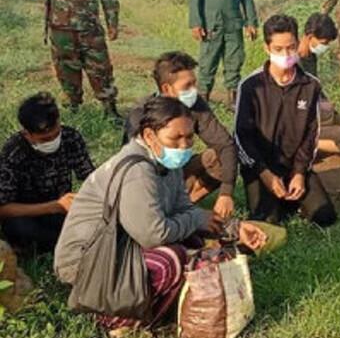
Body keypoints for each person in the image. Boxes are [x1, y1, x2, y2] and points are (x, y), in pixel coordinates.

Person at [55, 97, 283, 335]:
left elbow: (183, 209)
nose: (184, 146)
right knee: (171, 259)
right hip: (87, 262)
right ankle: (116, 318)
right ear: (150, 136)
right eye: (176, 138)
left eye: (189, 137)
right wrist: (196, 220)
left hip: (120, 247)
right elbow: (153, 235)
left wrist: (234, 229)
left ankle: (148, 307)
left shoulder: (165, 163)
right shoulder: (137, 171)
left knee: (194, 243)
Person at [235, 15, 337, 227]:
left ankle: (293, 199)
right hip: (260, 168)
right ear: (267, 48)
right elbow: (242, 137)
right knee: (268, 220)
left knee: (324, 216)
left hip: (293, 166)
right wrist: (264, 174)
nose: (286, 54)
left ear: (298, 43)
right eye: (279, 49)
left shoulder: (310, 85)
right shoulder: (250, 86)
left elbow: (311, 135)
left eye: (291, 48)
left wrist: (299, 172)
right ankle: (276, 202)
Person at [123, 51, 238, 218]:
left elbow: (225, 144)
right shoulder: (141, 114)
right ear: (167, 89)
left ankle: (186, 205)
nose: (194, 90)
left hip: (178, 172)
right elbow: (134, 165)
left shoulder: (195, 104)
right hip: (147, 178)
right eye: (187, 86)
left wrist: (226, 192)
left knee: (216, 157)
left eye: (194, 83)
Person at [0, 92, 94, 254]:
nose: (52, 141)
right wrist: (53, 207)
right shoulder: (13, 152)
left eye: (56, 134)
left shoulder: (71, 138)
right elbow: (4, 208)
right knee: (22, 230)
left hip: (62, 210)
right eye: (44, 139)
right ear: (27, 134)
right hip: (28, 214)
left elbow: (90, 177)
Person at [298, 13, 340, 156]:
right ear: (310, 37)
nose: (325, 47)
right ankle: (306, 142)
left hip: (317, 115)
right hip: (304, 121)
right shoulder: (293, 64)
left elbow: (315, 89)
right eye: (324, 43)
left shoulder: (309, 58)